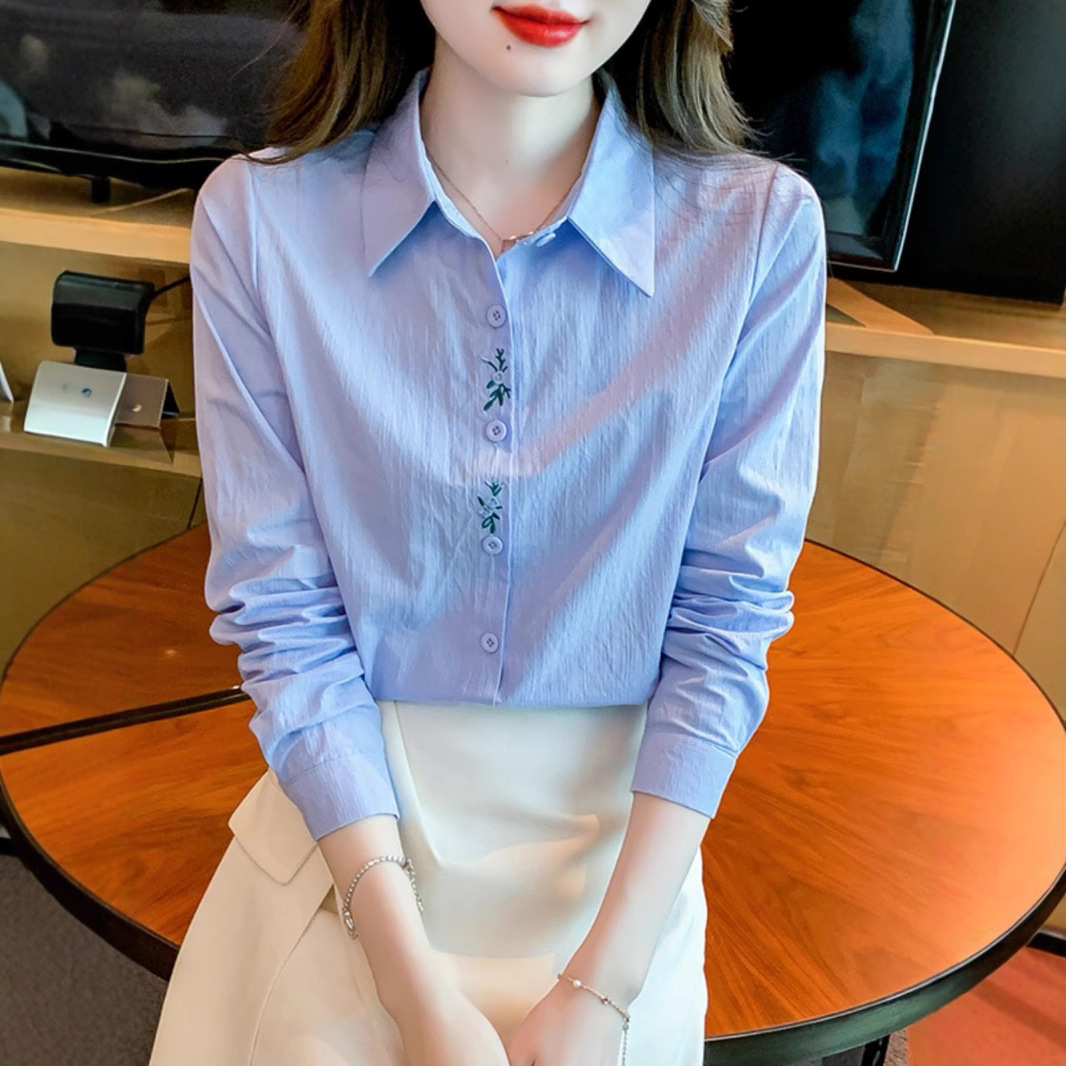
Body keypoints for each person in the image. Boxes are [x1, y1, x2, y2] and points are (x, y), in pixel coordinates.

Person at [149, 1, 827, 1064]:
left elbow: (725, 625)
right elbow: (283, 614)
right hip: (347, 856)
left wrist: (603, 989)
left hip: (623, 898)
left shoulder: (759, 234)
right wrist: (410, 988)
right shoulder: (257, 220)